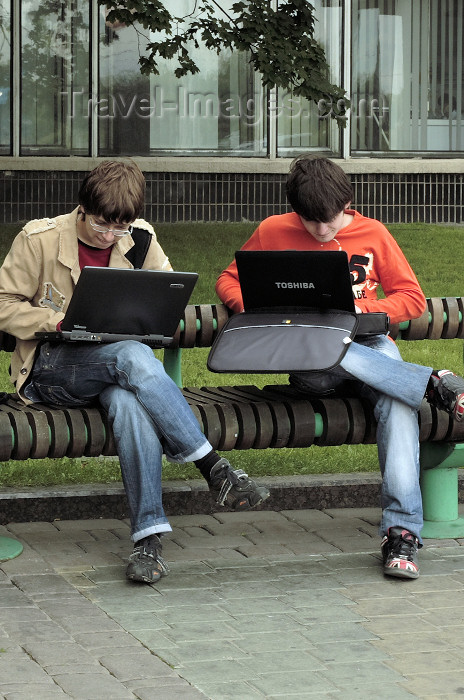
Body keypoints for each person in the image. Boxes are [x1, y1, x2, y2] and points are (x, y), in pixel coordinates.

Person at [0, 160, 270, 585]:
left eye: (119, 228)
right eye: (103, 226)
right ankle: (212, 466)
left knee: (131, 405)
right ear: (82, 209)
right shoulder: (40, 239)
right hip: (52, 367)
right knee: (130, 356)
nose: (110, 236)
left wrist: (147, 314)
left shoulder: (140, 239)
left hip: (117, 372)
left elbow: (166, 293)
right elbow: (4, 303)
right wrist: (56, 321)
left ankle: (149, 543)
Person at [216, 154, 464, 581]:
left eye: (329, 221)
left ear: (347, 203)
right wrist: (260, 308)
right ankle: (429, 383)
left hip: (366, 342)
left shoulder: (373, 233)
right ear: (296, 209)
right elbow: (228, 280)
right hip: (307, 353)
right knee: (384, 383)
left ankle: (400, 534)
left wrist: (360, 310)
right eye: (312, 222)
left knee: (395, 401)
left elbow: (411, 298)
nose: (322, 230)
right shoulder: (273, 230)